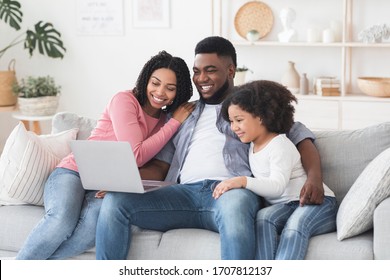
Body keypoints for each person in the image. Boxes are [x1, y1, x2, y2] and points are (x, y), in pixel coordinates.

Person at [95, 36, 326, 260]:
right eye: (197, 71)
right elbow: (160, 166)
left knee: (235, 209)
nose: (201, 78)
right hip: (183, 194)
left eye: (211, 70)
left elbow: (300, 136)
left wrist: (314, 178)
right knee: (116, 201)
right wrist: (123, 182)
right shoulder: (183, 113)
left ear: (231, 71)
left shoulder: (251, 108)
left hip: (231, 192)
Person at [15, 51, 195, 260]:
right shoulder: (125, 100)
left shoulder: (164, 121)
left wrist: (121, 185)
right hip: (74, 172)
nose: (160, 92)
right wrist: (175, 123)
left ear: (178, 92)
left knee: (96, 222)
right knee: (61, 220)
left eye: (170, 88)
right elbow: (134, 155)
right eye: (155, 83)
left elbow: (153, 166)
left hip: (109, 184)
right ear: (146, 79)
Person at [216, 80, 337, 260]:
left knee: (295, 226)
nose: (234, 128)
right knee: (263, 219)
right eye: (232, 121)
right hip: (288, 205)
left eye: (239, 120)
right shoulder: (252, 146)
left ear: (261, 117)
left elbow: (276, 186)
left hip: (319, 204)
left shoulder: (279, 144)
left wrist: (242, 181)